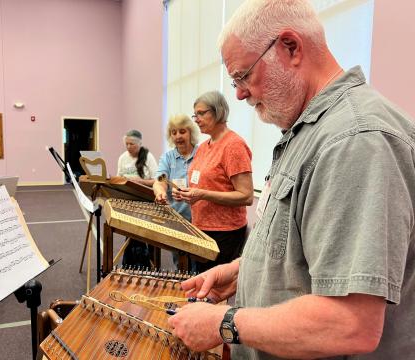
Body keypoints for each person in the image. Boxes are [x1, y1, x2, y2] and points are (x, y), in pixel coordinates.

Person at [168, 0, 415, 359]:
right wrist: (242, 272)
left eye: (243, 76)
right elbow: (307, 252)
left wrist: (224, 322)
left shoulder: (355, 141)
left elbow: (351, 322)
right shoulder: (308, 129)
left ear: (291, 47)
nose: (238, 94)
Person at [172, 91, 253, 273]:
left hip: (224, 232)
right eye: (195, 115)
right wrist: (187, 193)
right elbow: (202, 183)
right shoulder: (202, 147)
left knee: (214, 290)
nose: (197, 119)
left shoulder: (233, 145)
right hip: (201, 227)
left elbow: (246, 196)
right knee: (202, 283)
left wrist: (202, 194)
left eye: (201, 113)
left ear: (218, 112)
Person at [153, 114, 200, 269]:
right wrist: (160, 192)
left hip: (200, 220)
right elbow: (160, 180)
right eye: (174, 132)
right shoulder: (168, 157)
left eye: (182, 131)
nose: (178, 136)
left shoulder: (202, 153)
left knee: (199, 263)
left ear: (190, 133)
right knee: (180, 262)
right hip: (176, 219)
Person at [117, 129, 158, 267]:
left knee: (147, 234)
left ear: (140, 144)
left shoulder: (148, 157)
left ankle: (150, 262)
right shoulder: (122, 158)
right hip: (128, 200)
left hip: (145, 201)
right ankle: (132, 263)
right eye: (127, 144)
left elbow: (156, 181)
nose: (129, 147)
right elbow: (119, 178)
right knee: (131, 234)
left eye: (132, 144)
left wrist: (139, 181)